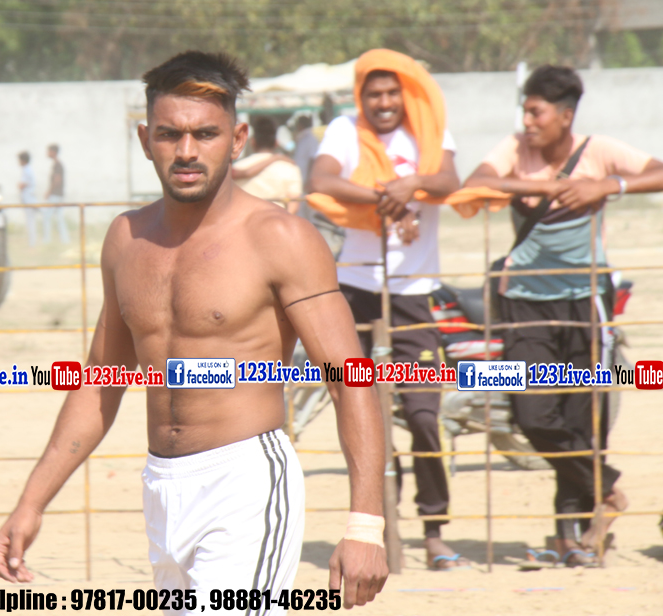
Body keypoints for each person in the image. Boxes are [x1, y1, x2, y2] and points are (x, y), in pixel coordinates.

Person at [0, 51, 388, 612]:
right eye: (169, 134)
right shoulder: (126, 239)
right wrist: (31, 503)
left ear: (237, 138)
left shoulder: (281, 238)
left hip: (245, 482)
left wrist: (366, 524)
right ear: (144, 139)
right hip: (161, 488)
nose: (186, 151)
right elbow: (100, 382)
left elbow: (352, 381)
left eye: (205, 134)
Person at [464, 65, 663, 565]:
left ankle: (570, 538)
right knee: (532, 412)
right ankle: (607, 489)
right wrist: (552, 190)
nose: (527, 121)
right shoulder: (515, 149)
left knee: (582, 417)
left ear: (566, 115)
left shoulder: (598, 150)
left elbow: (659, 171)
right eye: (525, 111)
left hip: (585, 300)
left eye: (537, 112)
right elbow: (477, 182)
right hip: (523, 301)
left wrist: (607, 186)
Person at [307, 49, 463, 570]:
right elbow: (322, 181)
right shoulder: (344, 130)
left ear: (406, 93)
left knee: (423, 415)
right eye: (373, 94)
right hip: (356, 291)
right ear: (361, 97)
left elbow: (449, 181)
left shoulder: (429, 130)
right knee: (365, 413)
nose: (384, 102)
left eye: (392, 92)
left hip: (414, 293)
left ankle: (434, 530)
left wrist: (410, 184)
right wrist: (384, 198)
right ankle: (377, 527)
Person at [231, 115, 304, 214]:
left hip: (243, 220)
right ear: (276, 143)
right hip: (278, 220)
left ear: (252, 142)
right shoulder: (290, 168)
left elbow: (247, 173)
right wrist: (276, 157)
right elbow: (293, 204)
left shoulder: (237, 167)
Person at [43, 143, 70, 244]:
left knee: (47, 217)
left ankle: (47, 240)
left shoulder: (57, 165)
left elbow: (57, 180)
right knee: (59, 218)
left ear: (53, 152)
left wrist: (49, 192)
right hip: (57, 195)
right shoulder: (56, 164)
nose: (47, 153)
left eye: (49, 151)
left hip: (55, 195)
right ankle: (65, 240)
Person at [17, 151, 39, 246]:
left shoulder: (26, 170)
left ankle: (32, 243)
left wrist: (19, 185)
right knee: (31, 221)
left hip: (29, 200)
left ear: (23, 160)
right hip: (29, 199)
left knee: (30, 222)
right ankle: (32, 242)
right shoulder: (27, 170)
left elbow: (22, 185)